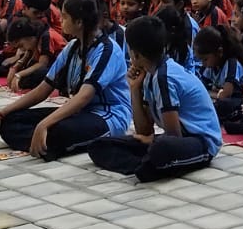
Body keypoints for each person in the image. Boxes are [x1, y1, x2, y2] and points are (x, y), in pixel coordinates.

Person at [0, 0, 132, 160]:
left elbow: (84, 96)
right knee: (10, 122)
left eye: (64, 17)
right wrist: (1, 113)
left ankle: (49, 142)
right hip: (80, 112)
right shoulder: (72, 47)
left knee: (59, 131)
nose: (61, 21)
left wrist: (45, 124)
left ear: (78, 22)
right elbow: (44, 88)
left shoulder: (107, 50)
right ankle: (45, 143)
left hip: (108, 116)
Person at [89, 15, 223, 182]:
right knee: (99, 146)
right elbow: (143, 130)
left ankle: (149, 164)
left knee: (160, 148)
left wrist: (150, 140)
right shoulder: (149, 74)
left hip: (200, 142)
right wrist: (135, 89)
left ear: (136, 54)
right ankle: (147, 164)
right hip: (173, 139)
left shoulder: (164, 78)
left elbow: (173, 135)